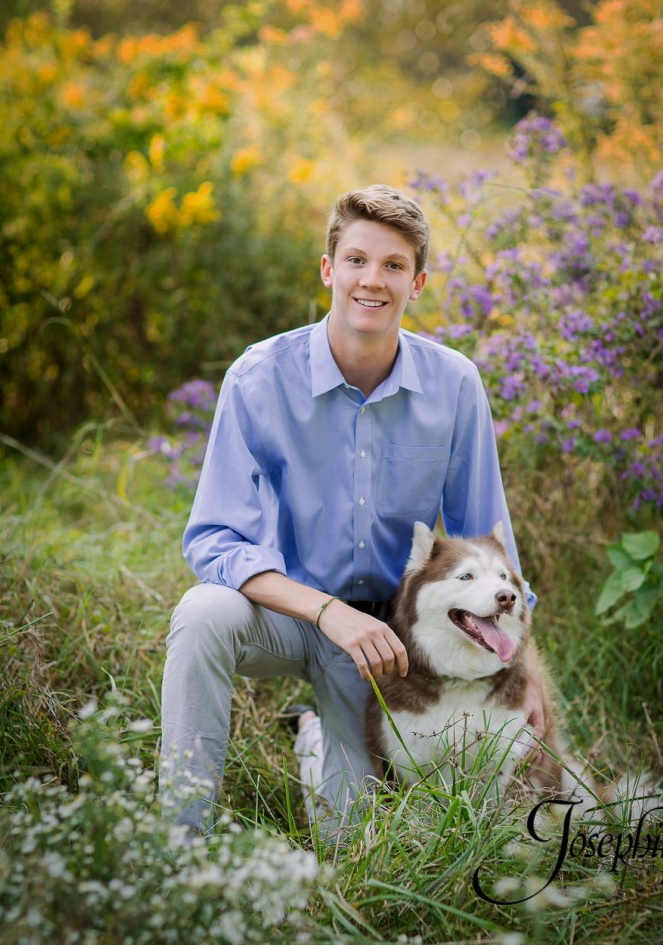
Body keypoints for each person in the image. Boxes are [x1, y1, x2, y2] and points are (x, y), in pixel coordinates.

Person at [159, 184, 542, 838]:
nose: (373, 279)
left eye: (394, 265)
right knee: (202, 613)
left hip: (390, 642)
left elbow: (487, 544)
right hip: (286, 612)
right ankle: (178, 843)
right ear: (328, 269)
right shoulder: (258, 377)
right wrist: (325, 611)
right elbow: (215, 540)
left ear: (417, 283)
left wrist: (519, 667)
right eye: (357, 260)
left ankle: (313, 737)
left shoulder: (454, 384)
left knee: (353, 840)